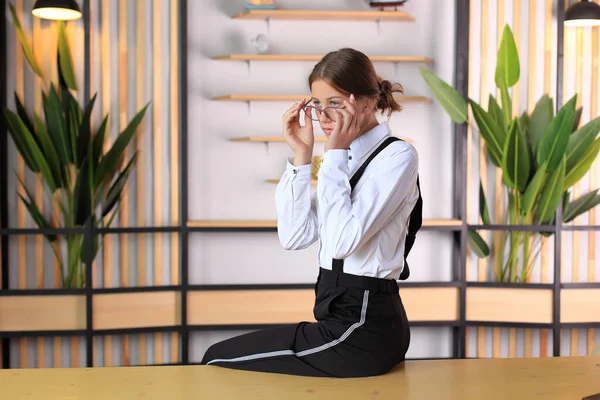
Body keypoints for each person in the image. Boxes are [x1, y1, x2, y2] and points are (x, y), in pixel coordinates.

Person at [200, 47, 423, 378]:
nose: (324, 116)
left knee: (217, 361)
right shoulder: (344, 160)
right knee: (216, 358)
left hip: (364, 328)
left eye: (335, 103)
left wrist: (333, 153)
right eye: (318, 105)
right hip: (339, 318)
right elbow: (295, 236)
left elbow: (341, 242)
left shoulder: (397, 157)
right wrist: (301, 155)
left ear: (366, 101)